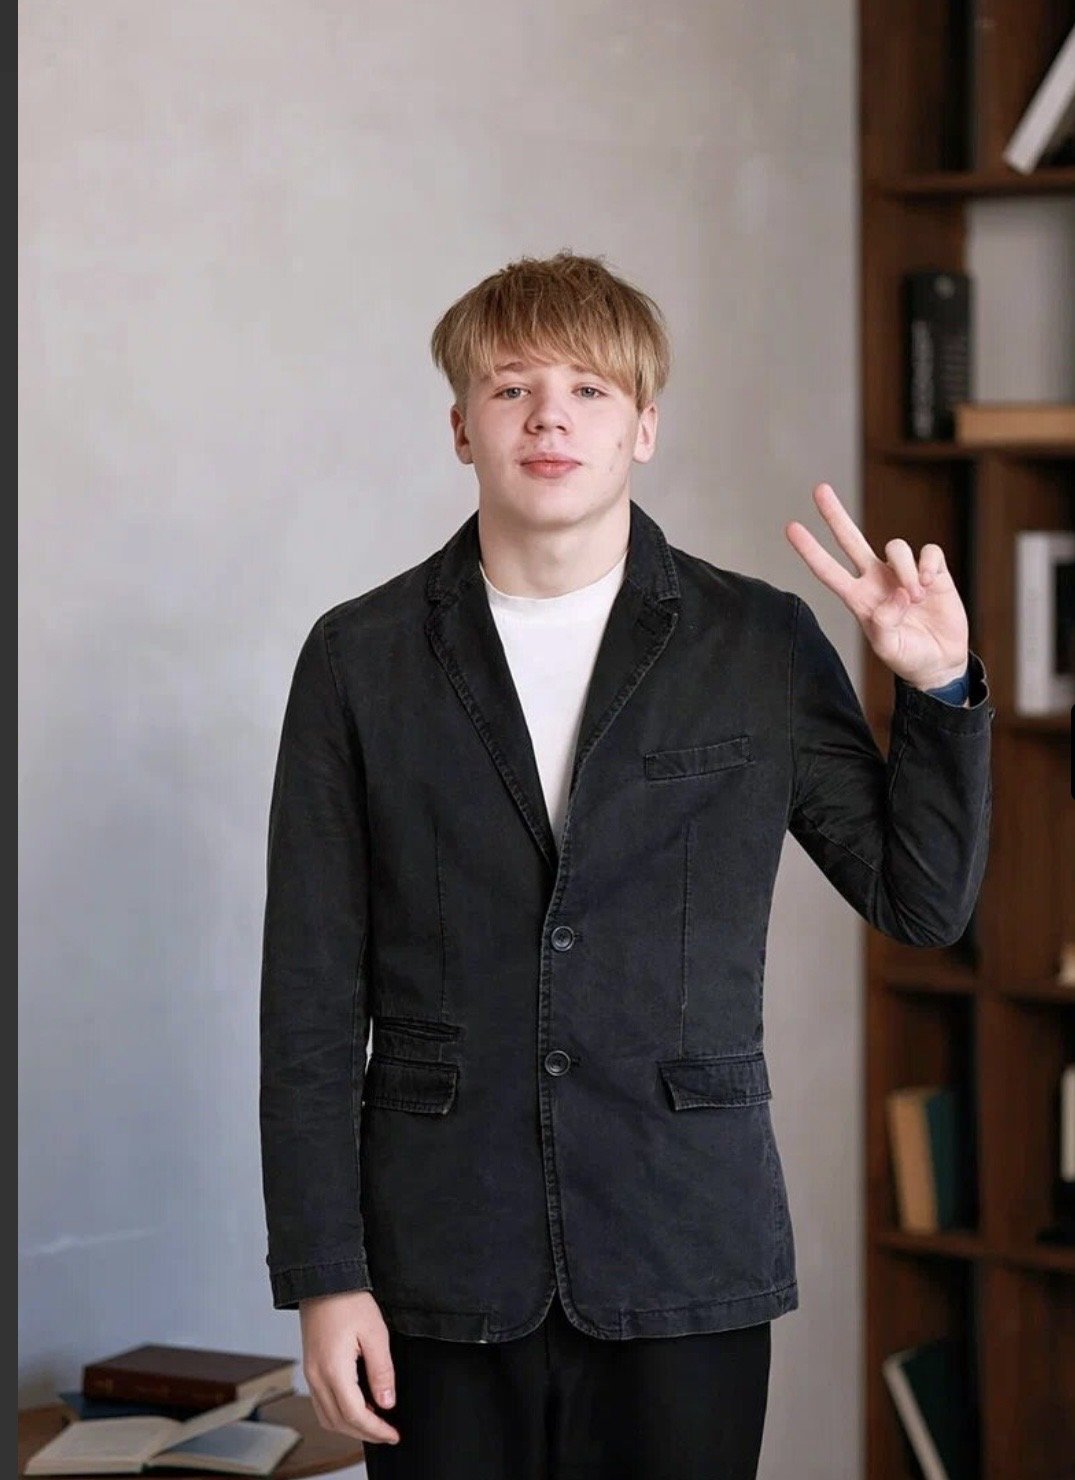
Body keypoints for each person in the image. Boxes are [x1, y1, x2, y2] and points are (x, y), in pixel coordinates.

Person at [259, 250, 993, 1479]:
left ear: (643, 426)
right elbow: (309, 1000)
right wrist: (325, 1277)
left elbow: (920, 901)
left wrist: (938, 688)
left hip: (685, 1247)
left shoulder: (756, 641)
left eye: (590, 390)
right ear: (461, 427)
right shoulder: (358, 657)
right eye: (511, 388)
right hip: (438, 1260)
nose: (549, 417)